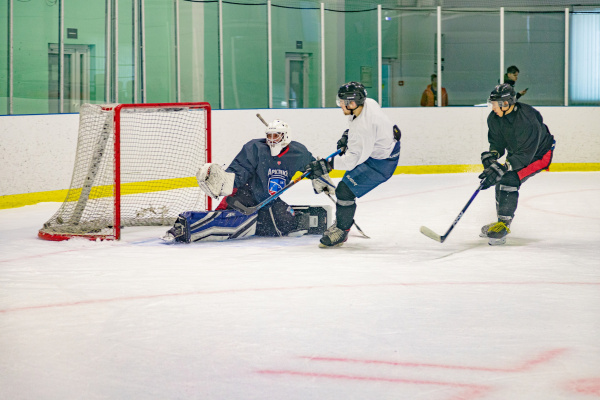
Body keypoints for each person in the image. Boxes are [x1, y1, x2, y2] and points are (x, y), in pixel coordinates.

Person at [163, 119, 327, 243]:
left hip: (269, 201)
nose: (271, 139)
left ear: (286, 136)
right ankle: (186, 226)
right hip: (246, 196)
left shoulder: (298, 153)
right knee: (227, 219)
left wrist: (321, 172)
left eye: (275, 136)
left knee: (284, 224)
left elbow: (312, 167)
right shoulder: (255, 148)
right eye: (269, 136)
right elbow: (239, 170)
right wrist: (224, 182)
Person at [303, 81, 401, 248]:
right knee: (345, 187)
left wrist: (326, 165)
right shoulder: (368, 104)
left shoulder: (365, 127)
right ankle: (344, 218)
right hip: (381, 150)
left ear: (353, 103)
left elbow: (351, 161)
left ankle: (341, 231)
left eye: (343, 102)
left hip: (382, 163)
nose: (340, 105)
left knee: (345, 191)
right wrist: (348, 136)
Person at [478, 83, 555, 245]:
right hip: (519, 153)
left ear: (506, 103)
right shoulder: (494, 118)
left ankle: (503, 225)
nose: (492, 107)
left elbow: (526, 155)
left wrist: (504, 167)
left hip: (539, 154)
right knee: (501, 178)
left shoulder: (527, 119)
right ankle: (500, 223)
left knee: (509, 179)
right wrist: (493, 156)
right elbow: (497, 143)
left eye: (495, 104)